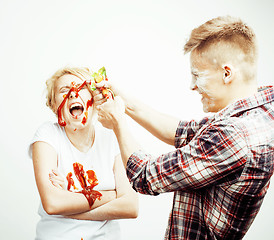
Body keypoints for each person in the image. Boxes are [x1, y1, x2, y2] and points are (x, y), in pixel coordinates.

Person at [94, 16, 274, 239]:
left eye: (197, 75)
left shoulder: (234, 135)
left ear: (227, 73)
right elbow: (182, 132)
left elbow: (144, 176)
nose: (192, 86)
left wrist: (118, 122)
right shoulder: (261, 110)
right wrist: (126, 103)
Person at [29, 67, 138, 240]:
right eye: (64, 90)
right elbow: (53, 203)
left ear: (94, 99)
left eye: (81, 88)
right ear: (53, 104)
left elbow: (130, 206)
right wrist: (111, 194)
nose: (73, 93)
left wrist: (71, 206)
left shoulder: (112, 137)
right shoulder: (47, 135)